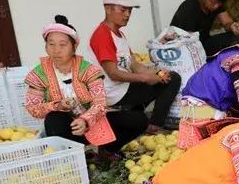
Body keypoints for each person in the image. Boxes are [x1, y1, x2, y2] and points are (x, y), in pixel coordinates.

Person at [24, 15, 147, 154]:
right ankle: (73, 157)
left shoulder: (88, 70)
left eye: (62, 45)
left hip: (93, 122)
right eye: (51, 44)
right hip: (65, 128)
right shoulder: (40, 74)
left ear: (74, 46)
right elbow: (33, 108)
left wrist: (85, 120)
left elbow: (100, 103)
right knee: (54, 118)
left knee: (138, 119)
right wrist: (57, 105)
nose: (56, 50)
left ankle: (108, 150)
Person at [88, 0, 181, 133]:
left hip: (124, 88)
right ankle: (153, 125)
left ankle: (139, 115)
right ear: (107, 9)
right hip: (113, 93)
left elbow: (134, 65)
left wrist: (159, 73)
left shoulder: (119, 35)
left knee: (171, 77)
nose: (127, 15)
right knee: (168, 81)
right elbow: (113, 74)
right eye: (123, 10)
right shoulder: (102, 35)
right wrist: (146, 78)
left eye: (130, 11)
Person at [169, 0, 239, 56]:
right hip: (184, 47)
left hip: (204, 43)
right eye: (213, 3)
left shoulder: (217, 4)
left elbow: (227, 22)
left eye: (219, 3)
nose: (216, 6)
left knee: (234, 36)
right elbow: (184, 41)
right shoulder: (188, 10)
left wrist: (233, 26)